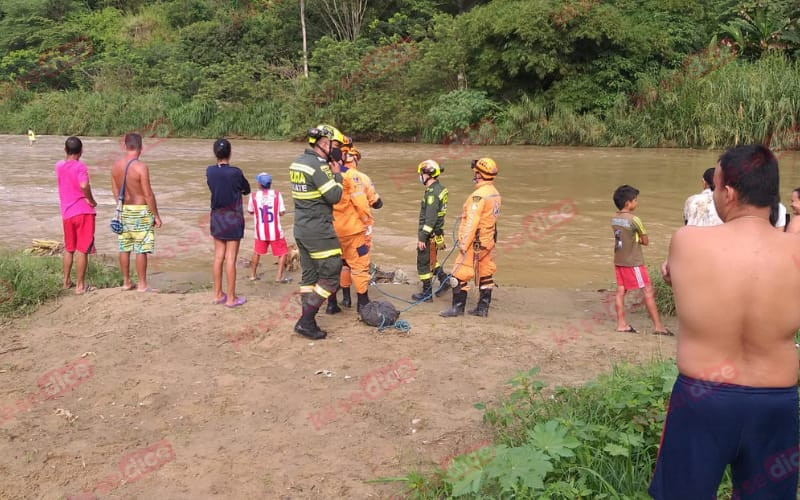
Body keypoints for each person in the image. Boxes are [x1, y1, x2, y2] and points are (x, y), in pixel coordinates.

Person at [652, 145, 800, 499]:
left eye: (716, 187)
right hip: (775, 402)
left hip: (703, 398)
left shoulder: (687, 243)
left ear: (728, 193)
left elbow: (687, 281)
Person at [290, 124, 345, 339]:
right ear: (324, 144)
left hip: (301, 228)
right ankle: (305, 321)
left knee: (309, 276)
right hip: (319, 230)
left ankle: (309, 320)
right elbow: (334, 197)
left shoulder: (298, 163)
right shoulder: (318, 167)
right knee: (332, 274)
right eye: (335, 145)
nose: (337, 150)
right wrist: (338, 175)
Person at [440, 158, 501, 317]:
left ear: (480, 174)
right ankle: (483, 308)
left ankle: (457, 308)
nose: (474, 175)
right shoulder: (494, 193)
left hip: (475, 243)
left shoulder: (479, 196)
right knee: (485, 273)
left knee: (458, 274)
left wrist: (463, 243)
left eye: (476, 173)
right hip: (487, 242)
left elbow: (472, 222)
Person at [327, 141, 382, 313]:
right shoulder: (357, 177)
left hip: (330, 230)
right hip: (353, 230)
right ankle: (363, 303)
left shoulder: (323, 176)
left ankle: (333, 304)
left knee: (336, 266)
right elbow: (367, 204)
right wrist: (367, 224)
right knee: (359, 265)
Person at [610, 185, 671, 335]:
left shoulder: (615, 219)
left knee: (620, 291)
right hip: (633, 262)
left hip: (619, 260)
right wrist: (638, 238)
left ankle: (621, 323)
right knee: (648, 290)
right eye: (635, 200)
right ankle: (658, 326)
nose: (636, 203)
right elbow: (645, 241)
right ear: (628, 203)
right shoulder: (635, 220)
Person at [111, 133, 163, 292]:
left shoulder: (116, 166)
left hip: (124, 210)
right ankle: (142, 284)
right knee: (141, 249)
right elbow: (148, 194)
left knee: (124, 247)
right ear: (141, 147)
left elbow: (115, 191)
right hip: (140, 210)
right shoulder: (141, 167)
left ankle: (126, 282)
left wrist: (122, 208)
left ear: (125, 146)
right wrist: (156, 215)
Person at [206, 139, 250, 307]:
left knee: (218, 257)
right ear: (230, 153)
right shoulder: (235, 172)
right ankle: (231, 298)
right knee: (230, 258)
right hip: (233, 218)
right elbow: (246, 189)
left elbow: (212, 186)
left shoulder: (209, 171)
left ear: (215, 153)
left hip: (217, 216)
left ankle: (218, 294)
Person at [55, 136, 97, 294]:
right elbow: (84, 184)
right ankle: (80, 286)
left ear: (65, 150)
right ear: (81, 151)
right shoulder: (80, 167)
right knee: (82, 249)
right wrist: (91, 199)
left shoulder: (59, 165)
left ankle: (66, 281)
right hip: (83, 211)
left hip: (67, 213)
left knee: (69, 248)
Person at [413, 159, 450, 302]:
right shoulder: (440, 189)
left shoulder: (432, 194)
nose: (420, 176)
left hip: (430, 234)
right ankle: (444, 280)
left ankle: (427, 293)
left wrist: (422, 237)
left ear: (427, 174)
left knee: (423, 262)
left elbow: (430, 219)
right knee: (432, 259)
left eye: (421, 173)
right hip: (437, 232)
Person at [247, 172, 290, 283]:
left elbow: (250, 211)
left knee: (257, 252)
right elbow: (281, 212)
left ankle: (252, 275)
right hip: (275, 231)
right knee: (283, 253)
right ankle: (278, 277)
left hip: (260, 232)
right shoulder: (277, 194)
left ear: (259, 184)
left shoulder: (253, 196)